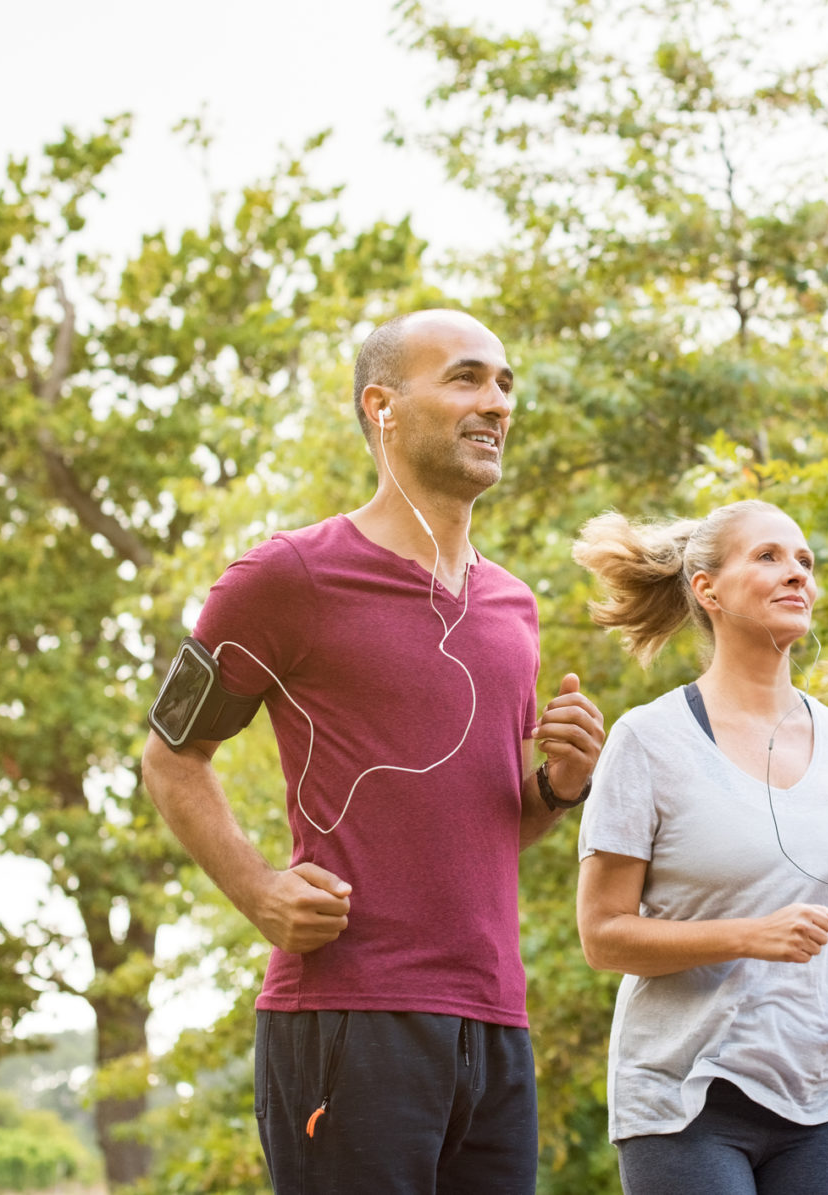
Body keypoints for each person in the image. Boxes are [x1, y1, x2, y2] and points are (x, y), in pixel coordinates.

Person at [141, 309, 606, 1194]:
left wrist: (556, 785)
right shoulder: (287, 575)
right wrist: (260, 891)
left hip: (495, 1022)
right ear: (382, 405)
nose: (497, 401)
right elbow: (171, 755)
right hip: (347, 1017)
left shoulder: (514, 605)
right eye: (467, 378)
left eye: (506, 383)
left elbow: (485, 826)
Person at [571, 500, 828, 1195]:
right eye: (768, 557)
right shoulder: (648, 740)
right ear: (708, 589)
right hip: (684, 1096)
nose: (796, 574)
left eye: (804, 562)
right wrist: (747, 935)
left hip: (820, 1097)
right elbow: (603, 936)